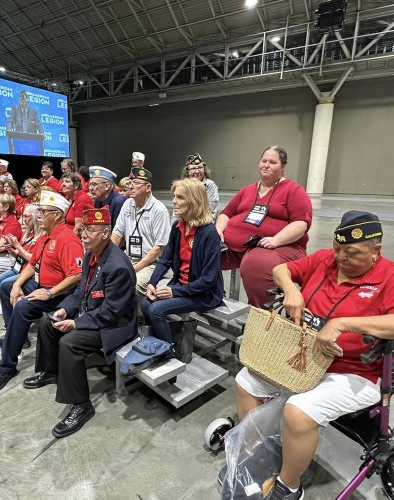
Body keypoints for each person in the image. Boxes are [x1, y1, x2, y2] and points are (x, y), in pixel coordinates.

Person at [231, 210, 394, 500]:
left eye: (351, 253)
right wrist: (292, 289)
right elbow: (283, 271)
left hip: (354, 372)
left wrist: (344, 323)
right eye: (337, 248)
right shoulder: (324, 259)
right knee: (247, 379)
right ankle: (259, 451)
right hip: (306, 356)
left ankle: (290, 485)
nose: (340, 257)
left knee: (298, 411)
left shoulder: (388, 277)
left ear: (375, 251)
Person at [23, 207, 137, 438]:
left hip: (114, 326)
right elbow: (80, 293)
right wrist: (66, 309)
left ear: (105, 233)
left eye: (91, 230)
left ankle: (82, 405)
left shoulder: (118, 266)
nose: (83, 234)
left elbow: (113, 312)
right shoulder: (90, 254)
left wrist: (77, 323)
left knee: (70, 342)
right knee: (48, 322)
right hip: (93, 314)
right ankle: (51, 371)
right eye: (83, 229)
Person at [0, 191, 84, 393]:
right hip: (40, 284)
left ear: (57, 215)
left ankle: (6, 366)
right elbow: (32, 264)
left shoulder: (67, 239)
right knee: (5, 286)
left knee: (22, 307)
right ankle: (18, 336)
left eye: (43, 211)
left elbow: (76, 276)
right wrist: (17, 284)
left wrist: (49, 293)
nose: (39, 215)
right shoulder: (46, 236)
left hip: (59, 294)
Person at [215, 145, 312, 307]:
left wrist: (277, 240)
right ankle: (208, 294)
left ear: (283, 167)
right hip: (236, 247)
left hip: (280, 247)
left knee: (256, 263)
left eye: (272, 162)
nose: (266, 165)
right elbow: (226, 213)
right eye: (264, 161)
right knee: (200, 248)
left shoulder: (294, 190)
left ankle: (262, 315)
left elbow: (301, 223)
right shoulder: (247, 190)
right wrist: (217, 230)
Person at [141, 178, 223, 342]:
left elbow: (208, 279)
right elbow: (165, 260)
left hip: (203, 293)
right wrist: (152, 282)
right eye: (174, 196)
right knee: (145, 303)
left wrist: (174, 291)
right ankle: (155, 344)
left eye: (179, 197)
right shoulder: (177, 227)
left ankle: (168, 352)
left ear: (194, 201)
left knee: (156, 309)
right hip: (182, 286)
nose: (174, 201)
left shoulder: (209, 233)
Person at [111, 167, 171, 310]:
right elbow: (117, 235)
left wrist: (135, 268)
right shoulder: (127, 204)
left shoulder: (159, 210)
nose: (130, 186)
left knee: (133, 284)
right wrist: (109, 259)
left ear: (148, 187)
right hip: (129, 257)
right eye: (130, 182)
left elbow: (158, 248)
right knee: (106, 277)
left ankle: (136, 321)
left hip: (151, 263)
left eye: (136, 182)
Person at [0, 203, 44, 319]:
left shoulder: (41, 235)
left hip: (30, 271)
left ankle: (15, 315)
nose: (24, 219)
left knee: (4, 285)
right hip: (19, 266)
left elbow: (33, 260)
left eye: (27, 216)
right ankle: (7, 308)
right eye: (23, 215)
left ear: (35, 217)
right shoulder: (27, 232)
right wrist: (10, 249)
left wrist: (17, 246)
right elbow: (19, 254)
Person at [181, 153, 219, 220]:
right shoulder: (182, 186)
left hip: (204, 222)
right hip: (186, 222)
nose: (197, 171)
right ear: (187, 171)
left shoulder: (209, 185)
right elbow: (178, 209)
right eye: (193, 168)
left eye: (200, 167)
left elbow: (208, 209)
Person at [88, 166, 125, 230]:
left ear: (107, 186)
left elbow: (117, 232)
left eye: (94, 184)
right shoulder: (98, 200)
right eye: (90, 185)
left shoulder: (118, 202)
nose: (90, 188)